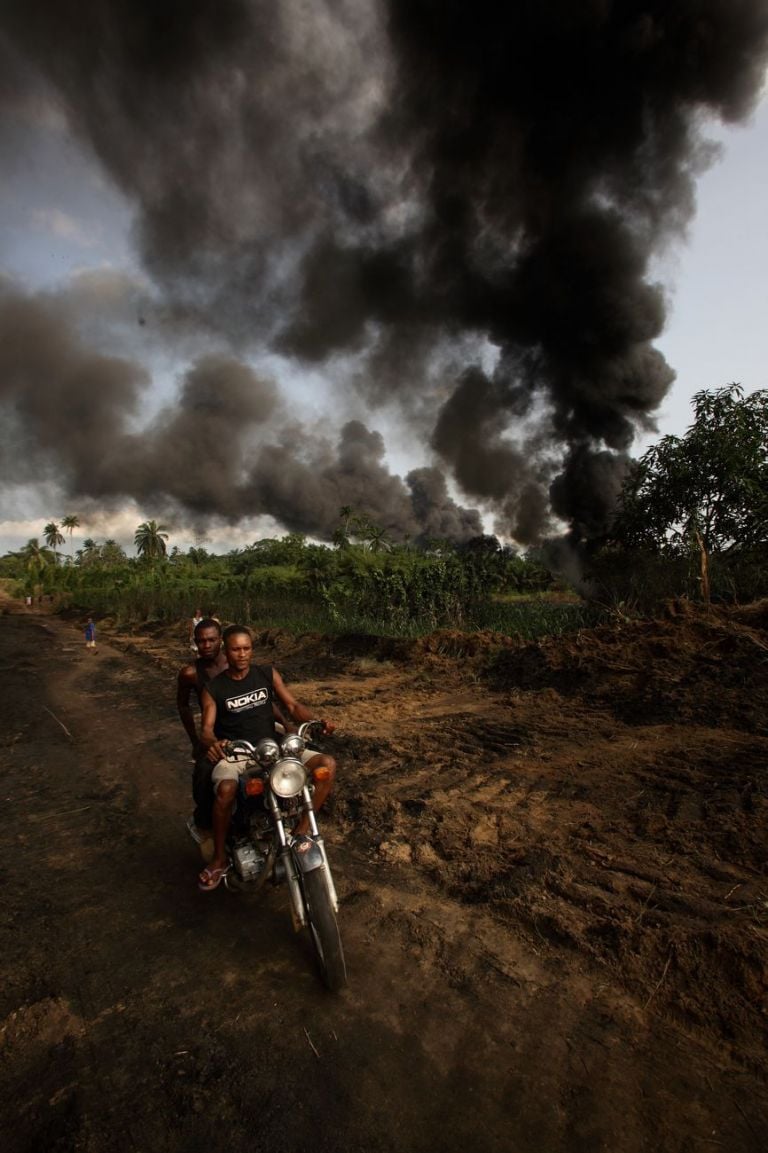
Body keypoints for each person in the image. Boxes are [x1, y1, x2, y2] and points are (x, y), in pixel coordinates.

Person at [197, 624, 336, 892]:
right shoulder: (214, 688)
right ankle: (219, 858)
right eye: (235, 649)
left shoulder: (266, 674)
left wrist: (317, 720)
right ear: (226, 651)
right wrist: (214, 742)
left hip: (273, 747)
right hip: (238, 753)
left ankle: (301, 832)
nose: (242, 654)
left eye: (246, 648)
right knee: (225, 790)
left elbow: (292, 705)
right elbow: (206, 729)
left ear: (252, 649)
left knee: (327, 765)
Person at [176, 617, 230, 849]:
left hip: (243, 728)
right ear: (195, 643)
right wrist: (195, 741)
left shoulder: (234, 663)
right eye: (201, 641)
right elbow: (183, 705)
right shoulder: (191, 673)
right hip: (214, 735)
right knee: (204, 774)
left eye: (211, 640)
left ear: (221, 640)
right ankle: (204, 824)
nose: (206, 645)